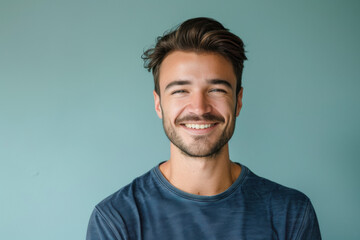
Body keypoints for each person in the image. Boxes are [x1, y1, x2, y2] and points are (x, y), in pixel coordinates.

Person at [86, 17, 321, 240]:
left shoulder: (291, 214)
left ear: (238, 101)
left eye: (217, 90)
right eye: (180, 91)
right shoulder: (116, 220)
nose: (199, 108)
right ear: (158, 104)